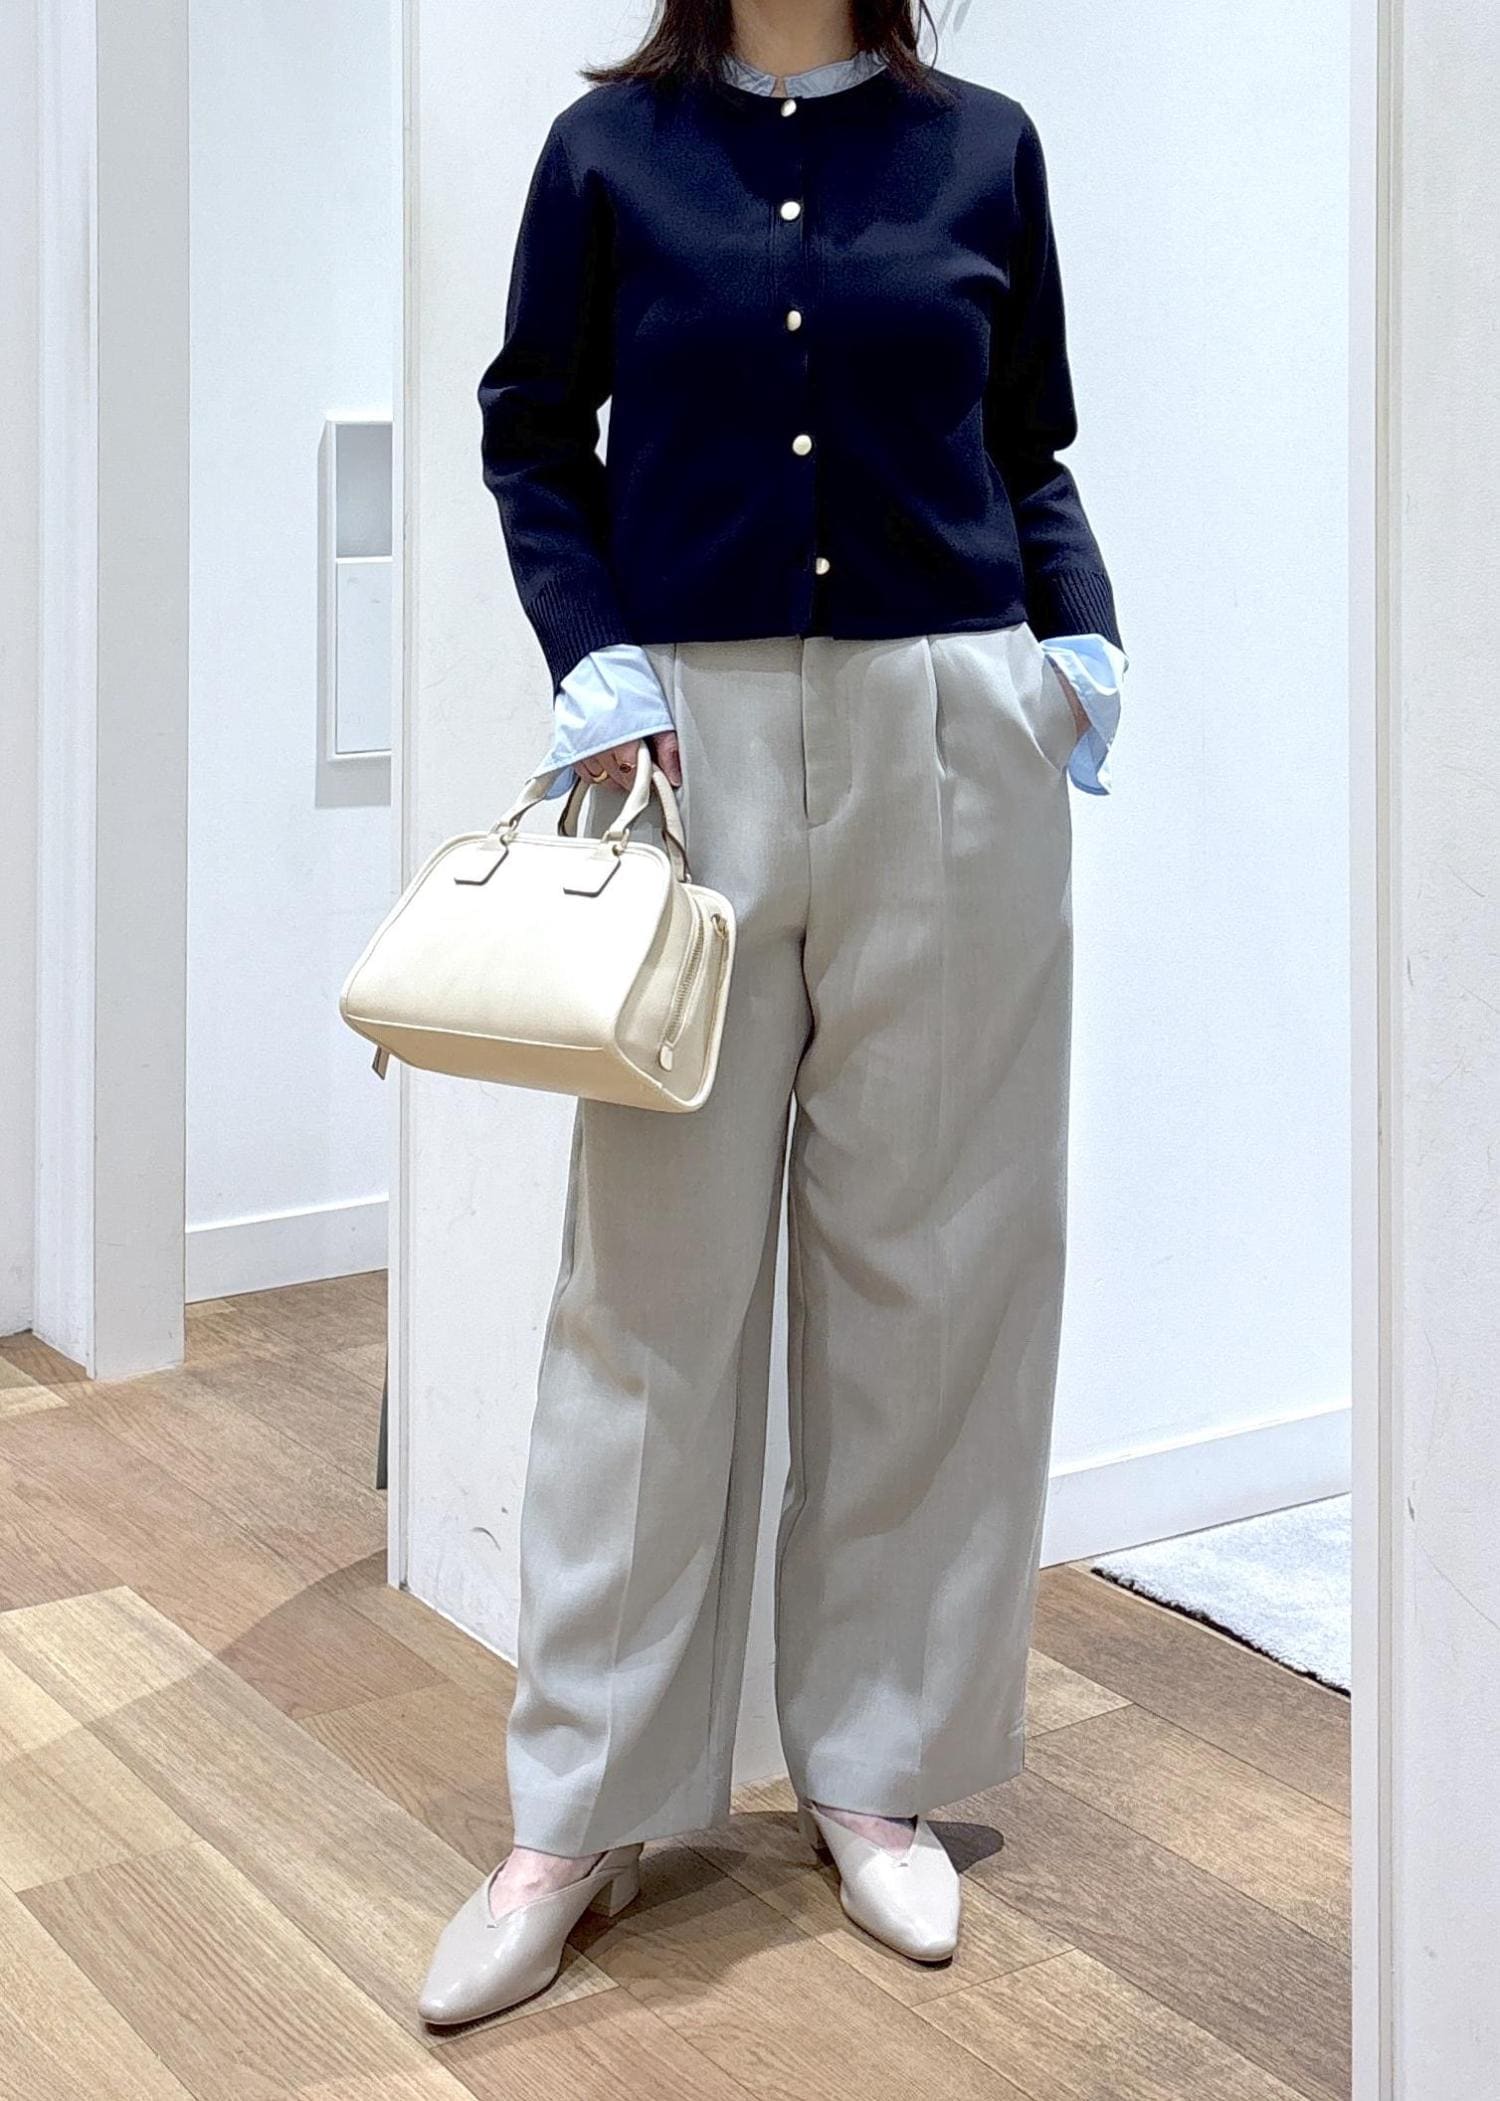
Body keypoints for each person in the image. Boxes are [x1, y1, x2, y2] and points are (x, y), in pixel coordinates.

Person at [419, 0, 1125, 2027]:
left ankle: (875, 1765)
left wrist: (1079, 644)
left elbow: (1029, 444)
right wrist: (592, 654)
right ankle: (578, 1807)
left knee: (937, 1271)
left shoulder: (983, 146)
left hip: (953, 738)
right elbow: (533, 433)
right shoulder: (610, 160)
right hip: (689, 759)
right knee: (645, 1298)